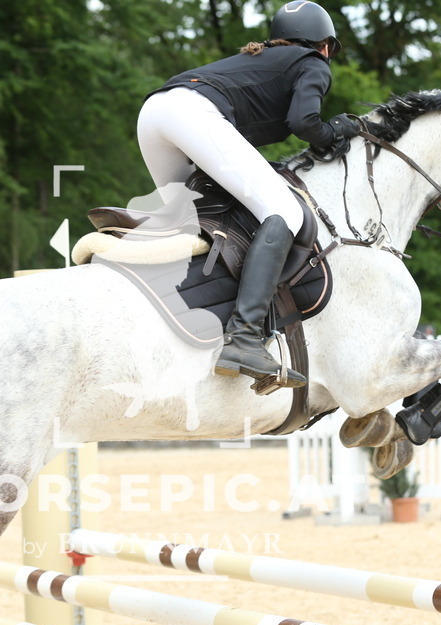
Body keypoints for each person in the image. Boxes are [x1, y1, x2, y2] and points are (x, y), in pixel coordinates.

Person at [137, 0, 358, 390]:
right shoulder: (311, 61)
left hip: (155, 112)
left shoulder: (265, 60)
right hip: (194, 114)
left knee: (192, 218)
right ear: (323, 45)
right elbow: (303, 122)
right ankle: (244, 338)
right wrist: (334, 133)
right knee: (285, 214)